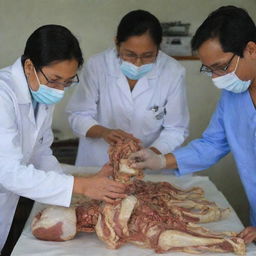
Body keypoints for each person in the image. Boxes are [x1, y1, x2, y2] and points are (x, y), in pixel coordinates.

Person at [129, 6, 256, 244]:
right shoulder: (233, 96)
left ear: (251, 49)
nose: (217, 78)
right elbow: (212, 144)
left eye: (221, 67)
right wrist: (158, 160)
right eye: (209, 70)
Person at [0, 24, 126, 252]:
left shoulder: (39, 94)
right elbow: (8, 172)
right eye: (55, 80)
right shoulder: (2, 96)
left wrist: (75, 189)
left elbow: (41, 152)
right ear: (29, 66)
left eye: (67, 82)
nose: (59, 90)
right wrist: (79, 185)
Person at [66, 10, 189, 168]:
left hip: (149, 169)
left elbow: (176, 129)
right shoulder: (97, 66)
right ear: (117, 44)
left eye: (147, 55)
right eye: (130, 54)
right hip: (98, 163)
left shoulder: (173, 72)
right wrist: (104, 132)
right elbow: (78, 115)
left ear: (158, 48)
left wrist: (150, 154)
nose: (138, 63)